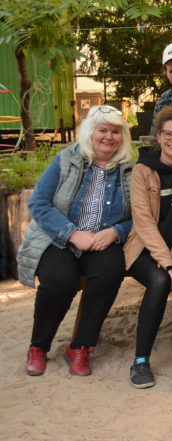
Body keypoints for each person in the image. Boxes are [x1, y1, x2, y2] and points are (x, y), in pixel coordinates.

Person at [20, 105, 134, 377]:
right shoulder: (66, 159)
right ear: (90, 132)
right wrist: (72, 234)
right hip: (59, 238)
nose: (108, 137)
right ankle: (38, 346)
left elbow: (145, 215)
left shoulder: (130, 170)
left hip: (103, 241)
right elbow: (38, 202)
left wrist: (116, 232)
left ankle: (80, 346)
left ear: (123, 136)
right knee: (59, 280)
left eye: (115, 131)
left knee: (110, 272)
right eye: (102, 130)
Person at [124, 107, 172, 389]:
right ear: (158, 136)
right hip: (146, 247)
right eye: (169, 134)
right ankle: (140, 360)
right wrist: (166, 263)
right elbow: (143, 221)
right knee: (159, 281)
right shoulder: (141, 171)